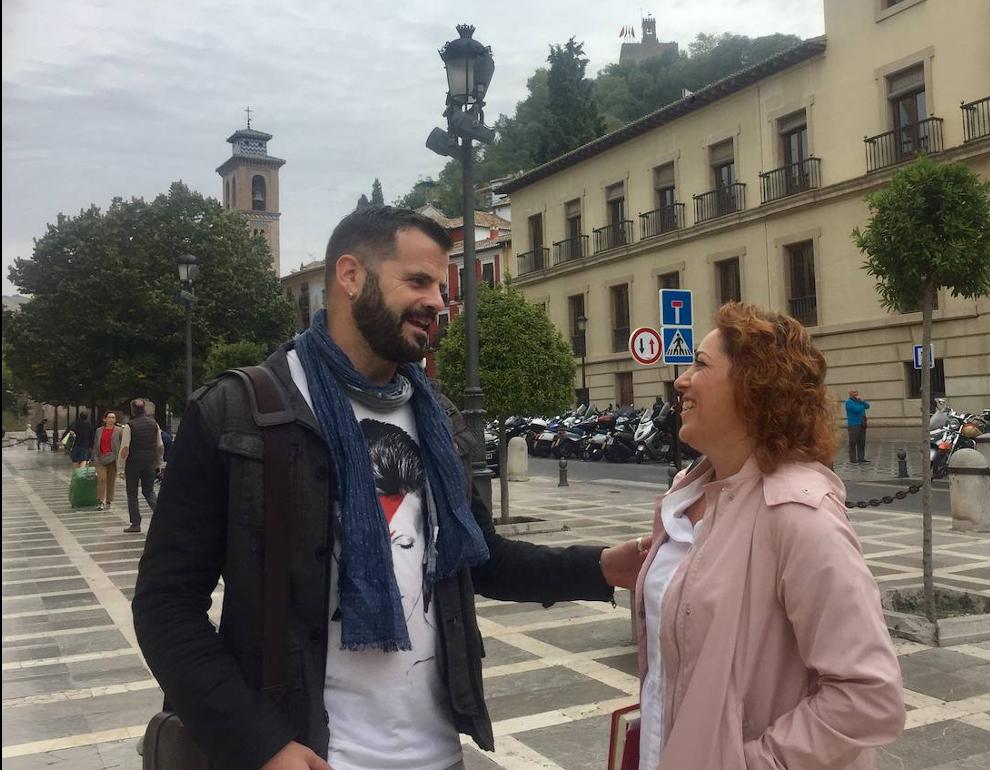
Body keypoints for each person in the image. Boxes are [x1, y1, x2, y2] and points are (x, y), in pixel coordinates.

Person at [132, 206, 650, 770]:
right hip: (308, 754)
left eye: (442, 286)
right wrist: (261, 745)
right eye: (418, 281)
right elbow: (167, 606)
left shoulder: (439, 420)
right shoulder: (241, 413)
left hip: (437, 755)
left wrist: (601, 566)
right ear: (350, 276)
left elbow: (480, 560)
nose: (438, 301)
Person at [635, 303, 904, 770]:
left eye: (700, 364)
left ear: (753, 387)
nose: (680, 380)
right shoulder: (685, 495)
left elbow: (869, 696)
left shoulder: (800, 514)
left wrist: (756, 763)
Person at [120, 399, 162, 533]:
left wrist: (120, 466)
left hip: (133, 463)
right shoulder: (154, 424)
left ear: (132, 410)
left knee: (132, 493)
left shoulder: (129, 426)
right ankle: (162, 516)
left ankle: (135, 524)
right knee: (149, 491)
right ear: (144, 409)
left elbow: (125, 448)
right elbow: (160, 445)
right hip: (150, 462)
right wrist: (159, 462)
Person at [92, 412, 122, 509]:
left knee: (111, 481)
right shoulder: (99, 431)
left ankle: (109, 500)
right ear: (105, 419)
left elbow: (122, 445)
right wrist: (95, 458)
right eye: (109, 417)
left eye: (113, 417)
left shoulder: (119, 431)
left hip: (113, 459)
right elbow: (96, 444)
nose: (111, 419)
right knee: (102, 479)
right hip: (100, 458)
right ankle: (100, 500)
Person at [845, 389, 870, 463]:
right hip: (853, 424)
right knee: (853, 441)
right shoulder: (848, 402)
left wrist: (862, 401)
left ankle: (861, 457)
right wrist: (862, 404)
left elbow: (867, 406)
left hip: (862, 423)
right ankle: (853, 459)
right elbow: (857, 410)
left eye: (856, 392)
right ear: (850, 394)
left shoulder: (859, 401)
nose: (856, 393)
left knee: (861, 441)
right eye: (854, 392)